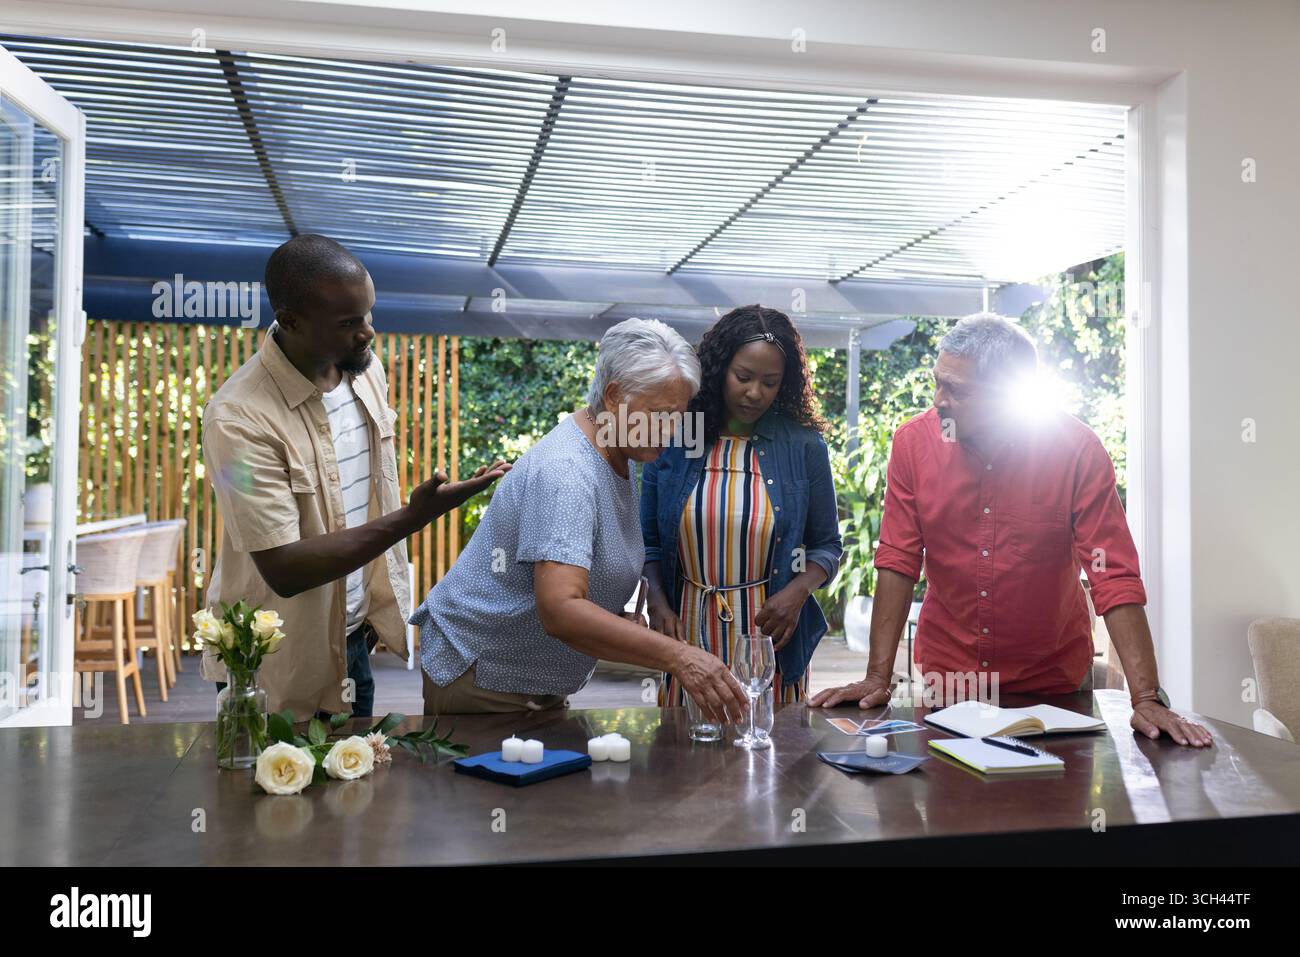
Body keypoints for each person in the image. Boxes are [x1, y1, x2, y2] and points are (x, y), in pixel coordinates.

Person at [810, 313, 1212, 747]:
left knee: (1054, 811)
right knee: (953, 810)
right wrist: (877, 676)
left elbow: (1112, 575)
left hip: (1053, 686)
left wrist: (1147, 697)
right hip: (950, 683)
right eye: (938, 382)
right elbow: (898, 561)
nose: (939, 400)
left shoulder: (1076, 450)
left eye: (958, 390)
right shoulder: (913, 444)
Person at [202, 234, 508, 717]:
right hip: (273, 663)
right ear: (290, 321)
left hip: (352, 642)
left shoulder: (364, 371)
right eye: (348, 323)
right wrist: (413, 517)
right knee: (269, 790)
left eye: (368, 315)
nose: (367, 332)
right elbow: (284, 568)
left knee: (356, 790)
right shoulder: (237, 417)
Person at [411, 317, 749, 722]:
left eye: (677, 416)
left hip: (530, 681)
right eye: (660, 415)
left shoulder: (619, 446)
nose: (671, 430)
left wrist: (612, 614)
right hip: (483, 675)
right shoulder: (568, 471)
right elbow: (560, 610)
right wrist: (681, 657)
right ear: (613, 396)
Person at [641, 305, 842, 704]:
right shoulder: (678, 438)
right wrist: (657, 600)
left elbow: (827, 547)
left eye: (770, 382)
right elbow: (646, 541)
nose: (755, 393)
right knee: (688, 757)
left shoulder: (803, 446)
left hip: (770, 640)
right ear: (718, 370)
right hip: (688, 636)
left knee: (769, 753)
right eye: (743, 377)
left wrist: (797, 593)